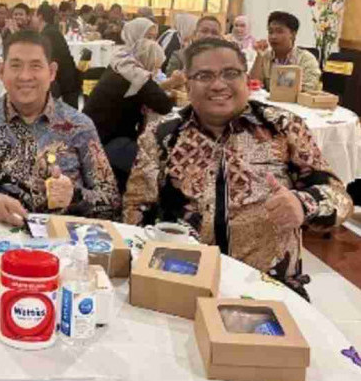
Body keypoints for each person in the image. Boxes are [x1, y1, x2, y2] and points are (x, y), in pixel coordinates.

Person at [124, 37, 352, 299]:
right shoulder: (162, 134)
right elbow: (136, 208)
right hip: (181, 279)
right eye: (204, 76)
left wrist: (303, 204)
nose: (218, 85)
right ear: (188, 84)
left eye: (230, 73)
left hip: (267, 284)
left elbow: (340, 198)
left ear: (247, 79)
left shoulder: (282, 126)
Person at [0, 30, 120, 223]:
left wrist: (76, 197)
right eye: (15, 66)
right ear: (1, 71)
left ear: (52, 72)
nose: (25, 76)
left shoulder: (79, 126)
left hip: (61, 237)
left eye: (35, 66)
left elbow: (112, 203)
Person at [84, 39, 173, 191]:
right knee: (153, 166)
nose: (156, 72)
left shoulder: (121, 66)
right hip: (105, 143)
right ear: (149, 61)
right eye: (156, 67)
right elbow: (164, 105)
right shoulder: (137, 76)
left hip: (93, 135)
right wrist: (173, 84)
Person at [250, 11, 321, 93]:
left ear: (293, 34)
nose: (273, 36)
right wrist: (259, 56)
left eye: (279, 32)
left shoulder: (306, 59)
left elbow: (309, 89)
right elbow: (253, 86)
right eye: (270, 32)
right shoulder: (265, 56)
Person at [31, 3, 81, 109]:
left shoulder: (48, 34)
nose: (32, 19)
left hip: (64, 84)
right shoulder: (52, 31)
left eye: (34, 15)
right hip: (67, 81)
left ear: (40, 17)